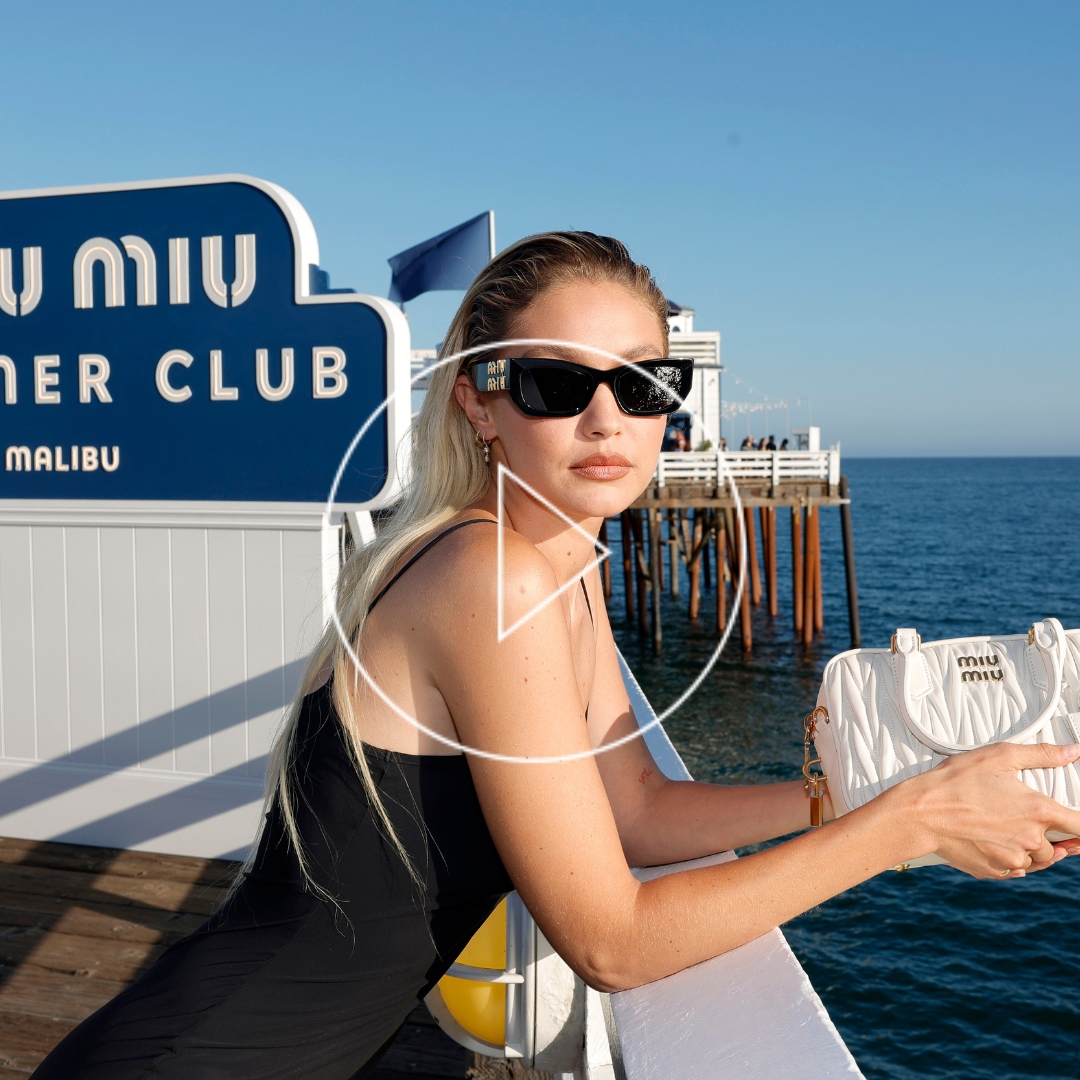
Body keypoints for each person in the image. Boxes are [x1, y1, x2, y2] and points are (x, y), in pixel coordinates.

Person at [35, 232, 1080, 1080]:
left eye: (643, 384)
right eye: (551, 384)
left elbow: (628, 810)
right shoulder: (494, 578)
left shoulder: (555, 564)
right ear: (480, 403)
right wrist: (907, 829)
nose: (604, 418)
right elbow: (611, 944)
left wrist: (850, 795)